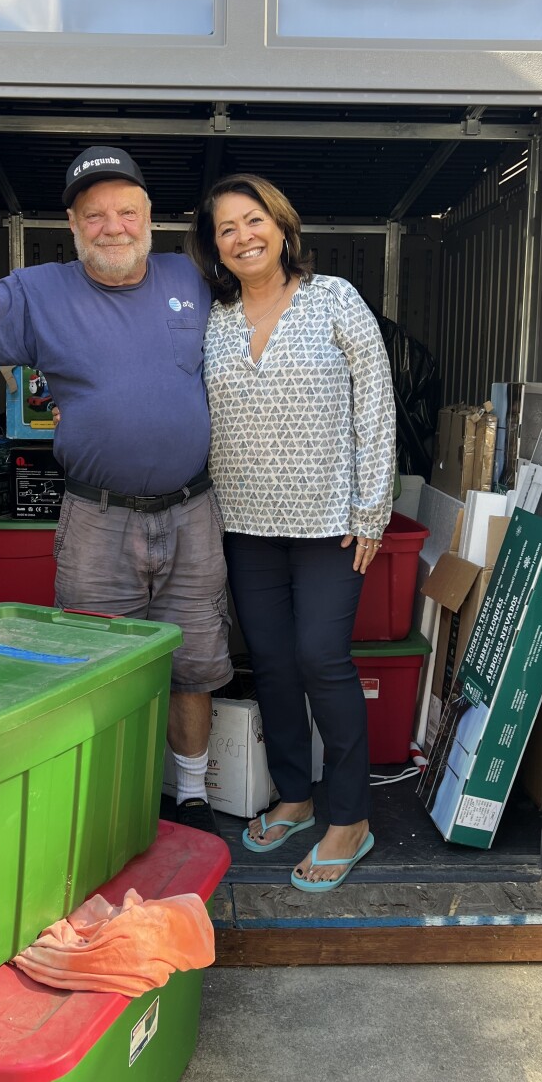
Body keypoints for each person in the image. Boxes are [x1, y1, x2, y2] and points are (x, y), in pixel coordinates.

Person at [0, 132, 232, 833]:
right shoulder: (37, 291)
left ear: (150, 217)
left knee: (197, 661)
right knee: (88, 667)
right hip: (97, 520)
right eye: (94, 216)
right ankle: (105, 800)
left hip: (193, 511)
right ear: (73, 227)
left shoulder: (192, 280)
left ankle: (191, 796)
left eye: (125, 211)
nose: (112, 227)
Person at [186, 173, 397, 890]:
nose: (243, 236)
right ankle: (295, 796)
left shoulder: (334, 299)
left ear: (282, 226)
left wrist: (372, 509)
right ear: (214, 248)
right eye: (226, 229)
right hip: (244, 523)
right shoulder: (213, 321)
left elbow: (376, 405)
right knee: (271, 663)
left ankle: (351, 817)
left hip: (331, 526)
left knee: (320, 660)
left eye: (254, 220)